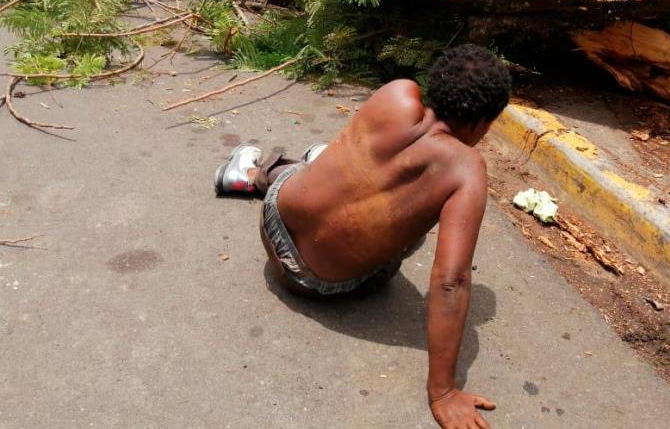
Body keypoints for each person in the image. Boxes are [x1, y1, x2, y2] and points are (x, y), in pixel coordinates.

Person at [214, 44, 511, 429]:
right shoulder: (466, 169)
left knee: (328, 165)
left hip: (274, 217)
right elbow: (450, 281)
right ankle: (294, 165)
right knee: (411, 222)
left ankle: (249, 176)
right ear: (481, 122)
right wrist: (443, 391)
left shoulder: (396, 93)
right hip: (313, 284)